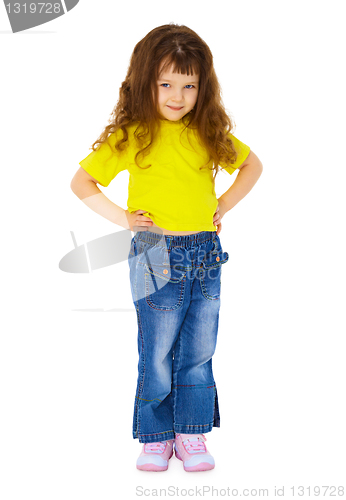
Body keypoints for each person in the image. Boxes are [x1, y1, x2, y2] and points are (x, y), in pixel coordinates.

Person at [71, 23, 263, 472]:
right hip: (153, 251)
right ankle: (156, 437)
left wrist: (222, 205)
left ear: (203, 88)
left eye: (189, 85)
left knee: (199, 348)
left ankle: (190, 432)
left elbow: (252, 166)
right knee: (155, 349)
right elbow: (82, 181)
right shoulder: (132, 134)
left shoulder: (208, 132)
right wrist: (123, 217)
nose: (177, 96)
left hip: (205, 252)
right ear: (145, 83)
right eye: (165, 84)